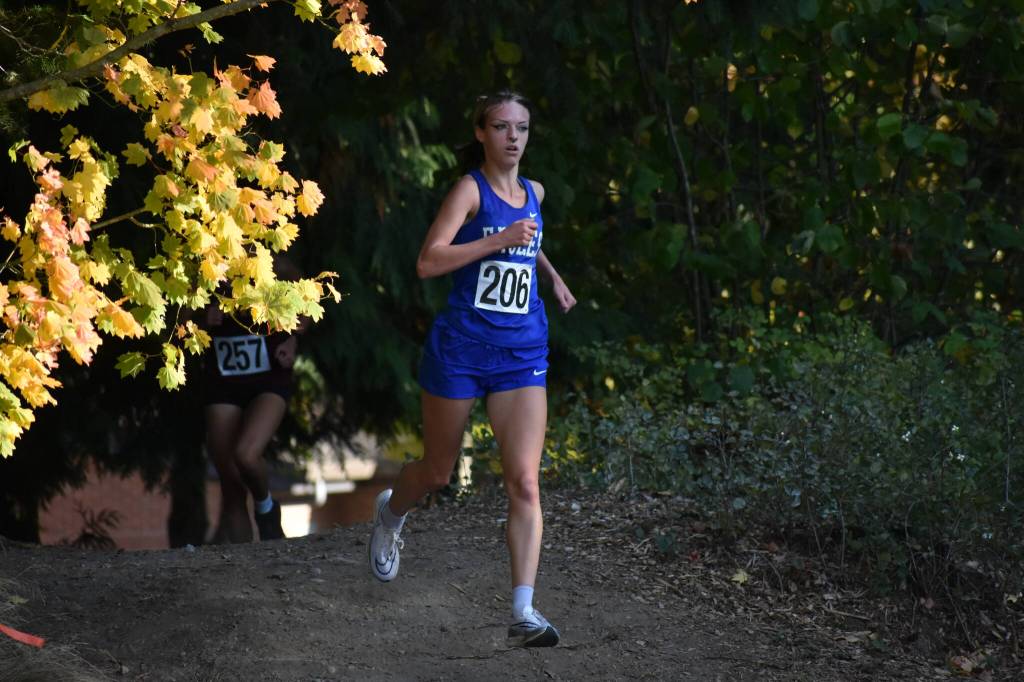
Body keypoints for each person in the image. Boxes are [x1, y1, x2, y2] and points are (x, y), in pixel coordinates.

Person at [368, 90, 577, 648]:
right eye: (502, 127)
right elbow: (428, 261)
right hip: (460, 349)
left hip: (522, 353)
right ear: (481, 133)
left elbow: (527, 236)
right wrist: (496, 241)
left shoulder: (534, 192)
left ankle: (524, 613)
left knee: (526, 483)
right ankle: (391, 514)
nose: (514, 137)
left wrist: (550, 275)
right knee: (437, 472)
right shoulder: (469, 190)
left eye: (523, 128)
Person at [201, 254, 307, 543]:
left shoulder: (274, 265)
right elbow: (175, 314)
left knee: (246, 455)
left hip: (268, 379)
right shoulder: (207, 266)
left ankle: (266, 509)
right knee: (232, 485)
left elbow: (305, 313)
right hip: (222, 383)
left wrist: (293, 339)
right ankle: (246, 570)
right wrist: (201, 316)